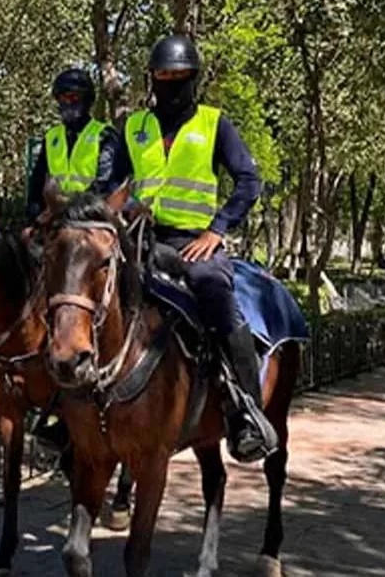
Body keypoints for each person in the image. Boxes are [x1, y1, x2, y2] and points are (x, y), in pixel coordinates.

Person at [106, 34, 273, 463]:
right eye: (163, 76)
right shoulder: (134, 127)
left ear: (193, 80)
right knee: (88, 288)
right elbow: (113, 185)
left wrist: (217, 230)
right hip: (140, 238)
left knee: (213, 290)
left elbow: (248, 181)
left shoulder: (214, 124)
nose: (171, 83)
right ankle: (69, 414)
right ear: (153, 79)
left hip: (193, 243)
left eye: (179, 77)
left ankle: (246, 412)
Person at [24, 68, 119, 225]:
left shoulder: (104, 135)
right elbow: (37, 184)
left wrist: (69, 208)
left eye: (73, 97)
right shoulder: (52, 137)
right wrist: (33, 218)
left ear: (86, 100)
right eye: (62, 98)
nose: (67, 103)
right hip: (54, 218)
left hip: (91, 217)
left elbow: (105, 185)